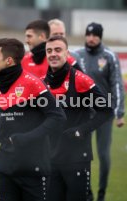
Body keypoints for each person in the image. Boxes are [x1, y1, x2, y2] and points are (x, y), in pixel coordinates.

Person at [0, 38, 66, 201]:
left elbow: (58, 117)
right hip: (5, 168)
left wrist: (26, 138)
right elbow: (3, 120)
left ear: (9, 60)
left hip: (33, 169)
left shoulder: (34, 84)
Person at [44, 35, 113, 201]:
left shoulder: (82, 80)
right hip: (49, 159)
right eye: (49, 51)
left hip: (76, 159)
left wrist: (81, 130)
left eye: (58, 50)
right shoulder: (42, 83)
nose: (53, 54)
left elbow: (106, 110)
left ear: (67, 53)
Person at [75, 22, 125, 201]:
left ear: (100, 37)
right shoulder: (77, 55)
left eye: (95, 35)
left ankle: (101, 194)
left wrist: (119, 113)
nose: (91, 38)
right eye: (88, 35)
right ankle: (87, 193)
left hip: (104, 114)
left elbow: (117, 84)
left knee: (103, 155)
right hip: (84, 114)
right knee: (83, 155)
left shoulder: (110, 56)